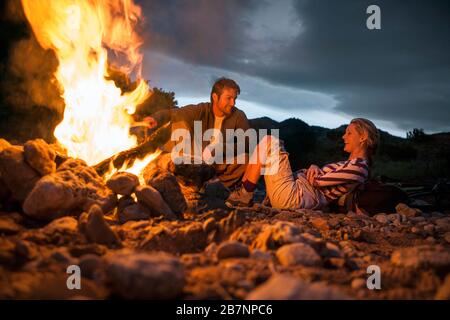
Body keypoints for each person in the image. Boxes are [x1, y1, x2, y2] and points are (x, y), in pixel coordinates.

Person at [225, 118, 380, 210]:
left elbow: (317, 181)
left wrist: (313, 170)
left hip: (295, 196)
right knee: (265, 144)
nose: (343, 136)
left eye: (349, 133)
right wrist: (313, 167)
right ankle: (243, 192)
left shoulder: (359, 168)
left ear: (363, 137)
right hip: (293, 192)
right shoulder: (351, 164)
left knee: (271, 142)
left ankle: (244, 194)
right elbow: (320, 177)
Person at [141, 77, 251, 189]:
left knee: (245, 159)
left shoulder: (238, 116)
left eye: (234, 98)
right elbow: (173, 113)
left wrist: (219, 148)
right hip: (196, 157)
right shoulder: (201, 109)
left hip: (218, 162)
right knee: (180, 123)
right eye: (229, 98)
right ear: (215, 97)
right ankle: (181, 177)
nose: (233, 103)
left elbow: (247, 143)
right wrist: (155, 118)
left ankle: (217, 187)